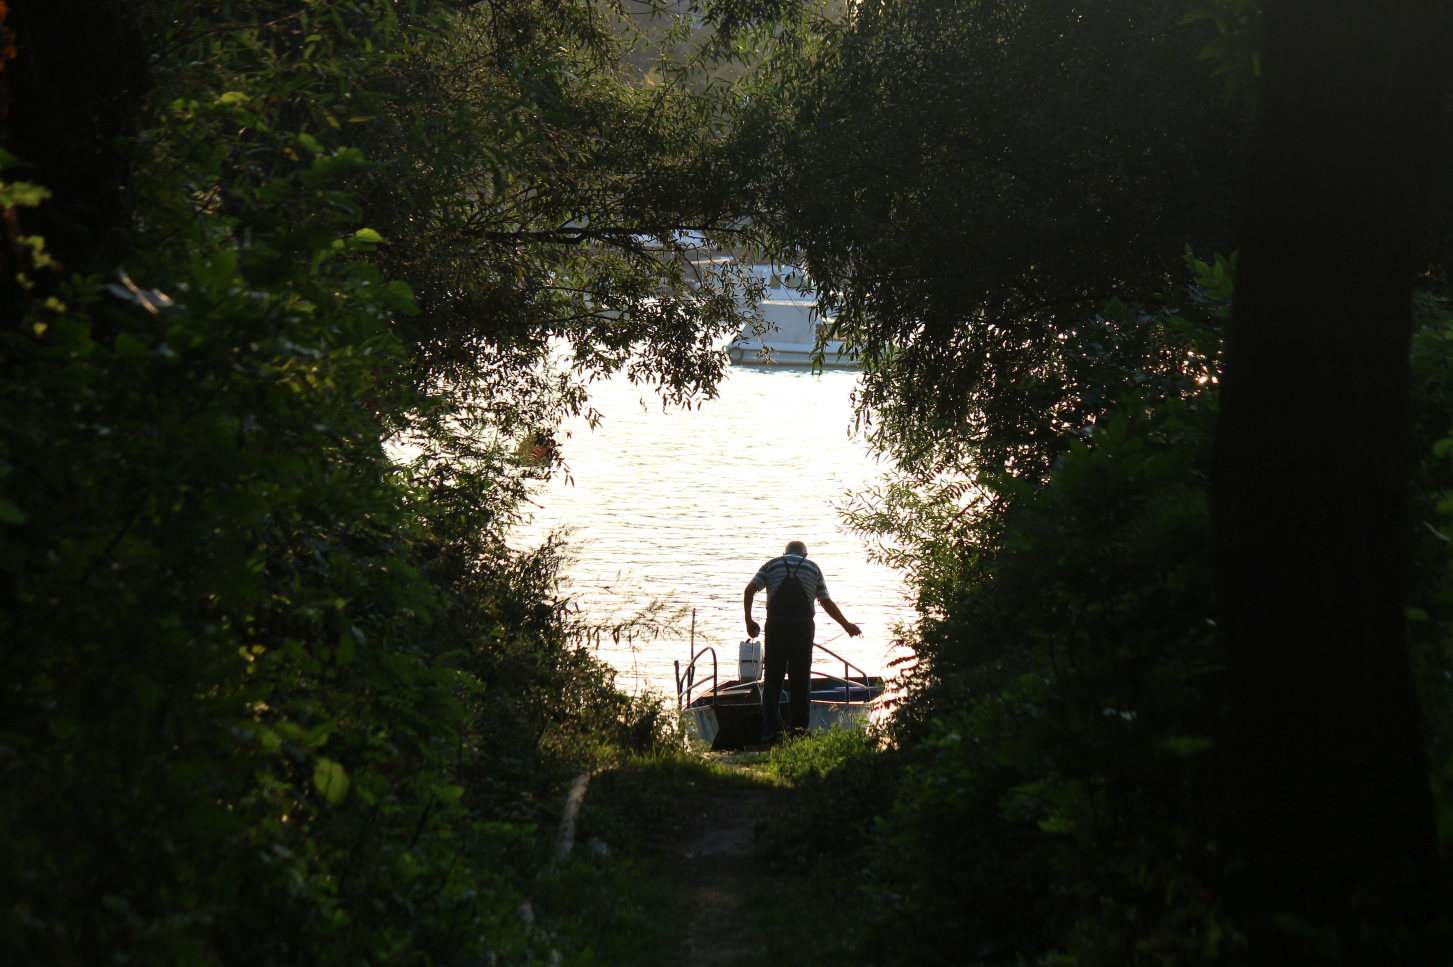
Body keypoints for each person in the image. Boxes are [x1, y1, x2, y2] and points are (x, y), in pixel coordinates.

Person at [744, 540, 861, 743]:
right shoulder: (813, 568)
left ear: (784, 553)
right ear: (805, 555)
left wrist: (749, 621)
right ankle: (798, 731)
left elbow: (749, 590)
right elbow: (825, 601)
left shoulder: (772, 565)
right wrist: (846, 625)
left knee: (773, 678)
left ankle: (772, 733)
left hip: (776, 626)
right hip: (802, 628)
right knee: (800, 677)